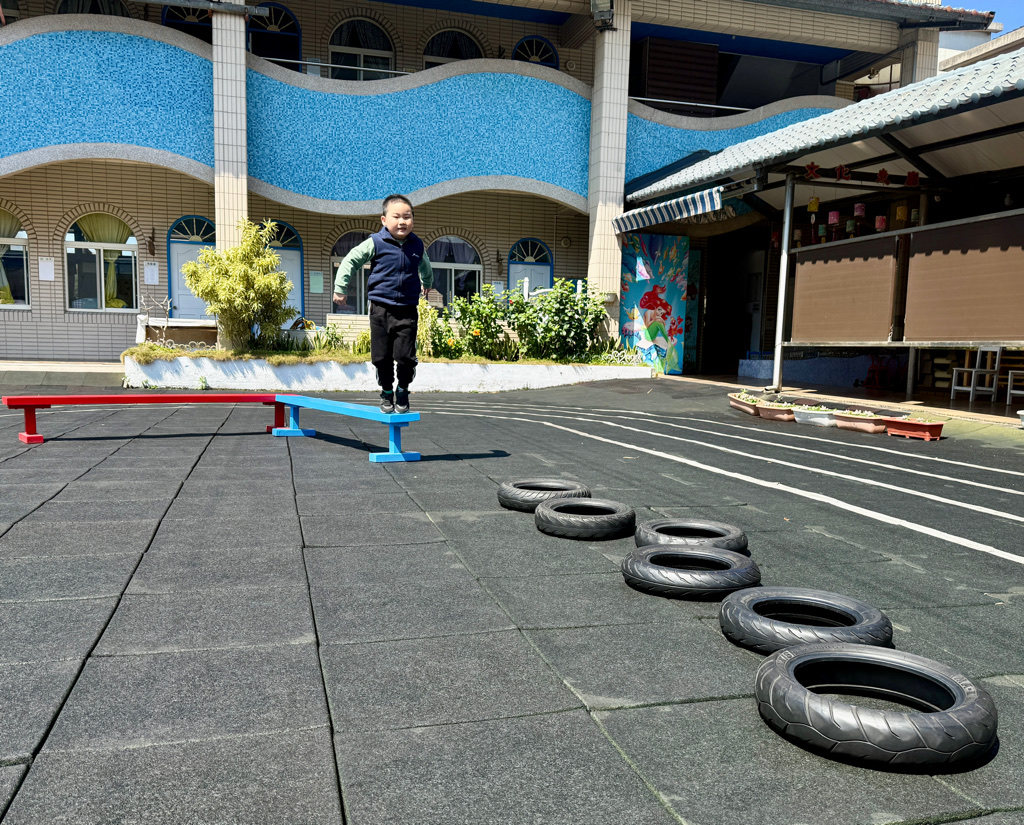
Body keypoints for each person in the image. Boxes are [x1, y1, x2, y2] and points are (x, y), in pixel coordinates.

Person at [333, 194, 433, 413]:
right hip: (380, 308)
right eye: (396, 217)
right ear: (384, 220)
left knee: (405, 357)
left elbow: (425, 266)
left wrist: (427, 282)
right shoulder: (375, 242)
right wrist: (340, 287)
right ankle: (387, 391)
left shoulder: (417, 245)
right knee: (381, 357)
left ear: (412, 220)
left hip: (407, 309)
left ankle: (403, 389)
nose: (402, 221)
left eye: (407, 217)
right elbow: (351, 260)